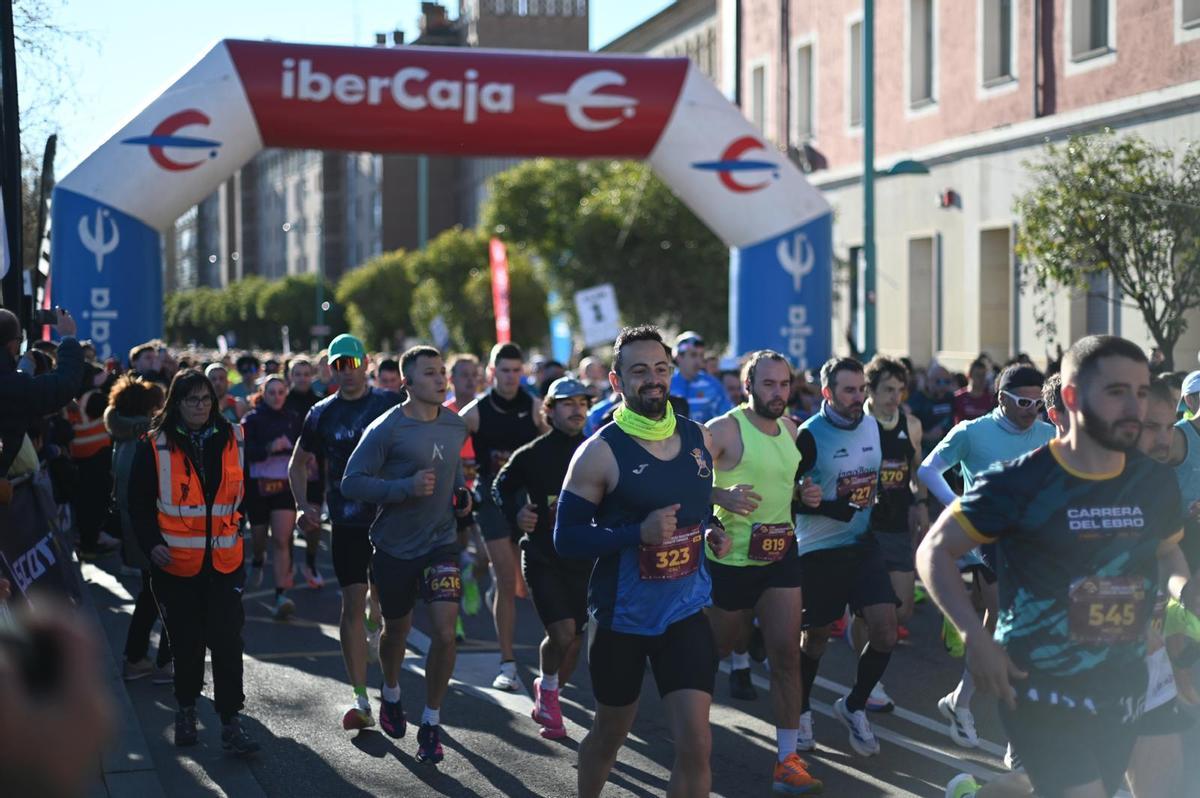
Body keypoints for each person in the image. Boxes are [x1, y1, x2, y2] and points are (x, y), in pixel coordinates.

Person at [922, 335, 1198, 798]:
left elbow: (1167, 551)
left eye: (1140, 392)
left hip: (1129, 673)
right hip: (1043, 685)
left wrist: (1184, 590)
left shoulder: (1151, 481)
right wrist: (975, 637)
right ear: (1071, 398)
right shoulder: (1020, 480)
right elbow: (934, 552)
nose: (1133, 406)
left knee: (1163, 789)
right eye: (1116, 392)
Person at [554, 325, 731, 798]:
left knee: (696, 743)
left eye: (660, 369)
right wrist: (638, 533)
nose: (652, 380)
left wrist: (713, 530)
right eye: (639, 372)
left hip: (685, 610)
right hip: (623, 617)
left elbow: (693, 506)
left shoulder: (699, 438)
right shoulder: (598, 453)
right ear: (616, 382)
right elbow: (566, 538)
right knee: (610, 733)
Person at [341, 345, 473, 764]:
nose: (440, 379)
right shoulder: (386, 429)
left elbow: (453, 474)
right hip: (394, 547)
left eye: (442, 371)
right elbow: (351, 483)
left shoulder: (455, 426)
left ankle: (432, 722)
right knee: (395, 632)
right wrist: (405, 488)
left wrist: (460, 494)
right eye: (430, 373)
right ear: (407, 384)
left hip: (441, 543)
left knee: (446, 633)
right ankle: (392, 692)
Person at [704, 350, 824, 794]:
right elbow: (682, 478)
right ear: (748, 385)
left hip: (779, 556)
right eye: (769, 384)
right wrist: (720, 495)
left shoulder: (792, 430)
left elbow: (786, 486)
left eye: (784, 384)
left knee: (786, 655)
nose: (778, 392)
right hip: (731, 561)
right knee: (719, 648)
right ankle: (692, 738)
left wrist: (804, 494)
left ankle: (787, 760)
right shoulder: (722, 430)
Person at [918, 364, 1055, 749]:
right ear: (1001, 400)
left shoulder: (1048, 434)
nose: (1032, 410)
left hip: (1030, 542)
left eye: (1039, 403)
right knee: (1008, 623)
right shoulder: (972, 432)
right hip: (985, 539)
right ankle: (1018, 734)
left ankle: (960, 701)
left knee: (999, 625)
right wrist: (961, 506)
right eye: (1024, 402)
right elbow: (929, 470)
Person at [127, 369, 260, 755]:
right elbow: (137, 502)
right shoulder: (154, 444)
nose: (200, 406)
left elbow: (244, 491)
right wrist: (151, 545)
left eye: (205, 399)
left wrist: (241, 526)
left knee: (226, 641)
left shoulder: (233, 436)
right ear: (176, 403)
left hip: (224, 561)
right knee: (186, 644)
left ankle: (231, 721)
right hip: (175, 563)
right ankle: (186, 710)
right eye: (191, 400)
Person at [289, 333, 400, 731]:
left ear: (366, 362)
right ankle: (359, 698)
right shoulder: (321, 413)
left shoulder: (389, 404)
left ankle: (376, 622)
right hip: (347, 523)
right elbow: (297, 464)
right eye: (338, 365)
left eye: (352, 363)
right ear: (330, 369)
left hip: (390, 519)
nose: (346, 372)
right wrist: (304, 505)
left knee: (382, 602)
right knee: (350, 601)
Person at [793, 357, 894, 758]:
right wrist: (822, 507)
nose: (858, 398)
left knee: (885, 630)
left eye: (861, 390)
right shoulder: (809, 436)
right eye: (849, 391)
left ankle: (853, 706)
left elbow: (869, 480)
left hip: (862, 543)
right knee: (815, 639)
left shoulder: (870, 424)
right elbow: (787, 499)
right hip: (818, 549)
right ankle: (800, 711)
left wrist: (878, 500)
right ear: (827, 393)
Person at [492, 377, 592, 739]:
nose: (577, 409)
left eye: (582, 403)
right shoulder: (532, 454)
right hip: (541, 556)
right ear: (548, 411)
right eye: (567, 403)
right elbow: (499, 487)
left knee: (575, 641)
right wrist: (517, 513)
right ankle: (549, 688)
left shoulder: (596, 451)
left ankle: (548, 691)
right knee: (562, 632)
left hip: (583, 560)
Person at [459, 342, 549, 691]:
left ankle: (484, 581)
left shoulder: (535, 407)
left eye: (516, 371)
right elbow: (446, 444)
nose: (511, 378)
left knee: (517, 585)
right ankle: (507, 664)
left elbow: (559, 445)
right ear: (492, 372)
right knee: (506, 581)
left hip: (525, 501)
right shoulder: (476, 411)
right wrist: (459, 487)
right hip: (492, 501)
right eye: (504, 371)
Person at [861, 355, 928, 710]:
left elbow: (915, 470)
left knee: (902, 611)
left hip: (899, 524)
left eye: (900, 390)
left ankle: (867, 663)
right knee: (872, 613)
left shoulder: (911, 424)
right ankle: (870, 681)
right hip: (864, 527)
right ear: (869, 389)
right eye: (887, 389)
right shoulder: (860, 424)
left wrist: (921, 504)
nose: (894, 397)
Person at [106, 374, 173, 684]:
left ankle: (144, 657)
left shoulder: (121, 433)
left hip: (131, 522)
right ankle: (144, 658)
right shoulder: (142, 440)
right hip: (146, 525)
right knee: (157, 594)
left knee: (152, 593)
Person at [241, 376, 304, 614]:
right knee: (259, 536)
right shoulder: (252, 419)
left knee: (281, 539)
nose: (277, 397)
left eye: (280, 392)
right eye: (272, 393)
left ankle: (281, 595)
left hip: (284, 485)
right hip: (258, 486)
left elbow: (305, 447)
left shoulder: (293, 418)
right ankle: (257, 560)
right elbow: (244, 452)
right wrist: (268, 449)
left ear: (286, 393)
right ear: (263, 394)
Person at [669, 331, 732, 424]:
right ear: (678, 357)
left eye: (701, 356)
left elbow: (727, 419)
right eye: (693, 355)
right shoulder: (666, 384)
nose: (699, 361)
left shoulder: (713, 384)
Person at [909, 364, 957, 450]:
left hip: (948, 448)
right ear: (928, 381)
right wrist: (927, 436)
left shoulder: (951, 398)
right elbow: (907, 429)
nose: (942, 386)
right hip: (925, 449)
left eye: (947, 381)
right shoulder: (917, 400)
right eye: (938, 381)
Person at [953, 358, 996, 425]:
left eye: (983, 375)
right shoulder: (958, 398)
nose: (981, 379)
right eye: (978, 375)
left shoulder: (991, 399)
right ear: (968, 376)